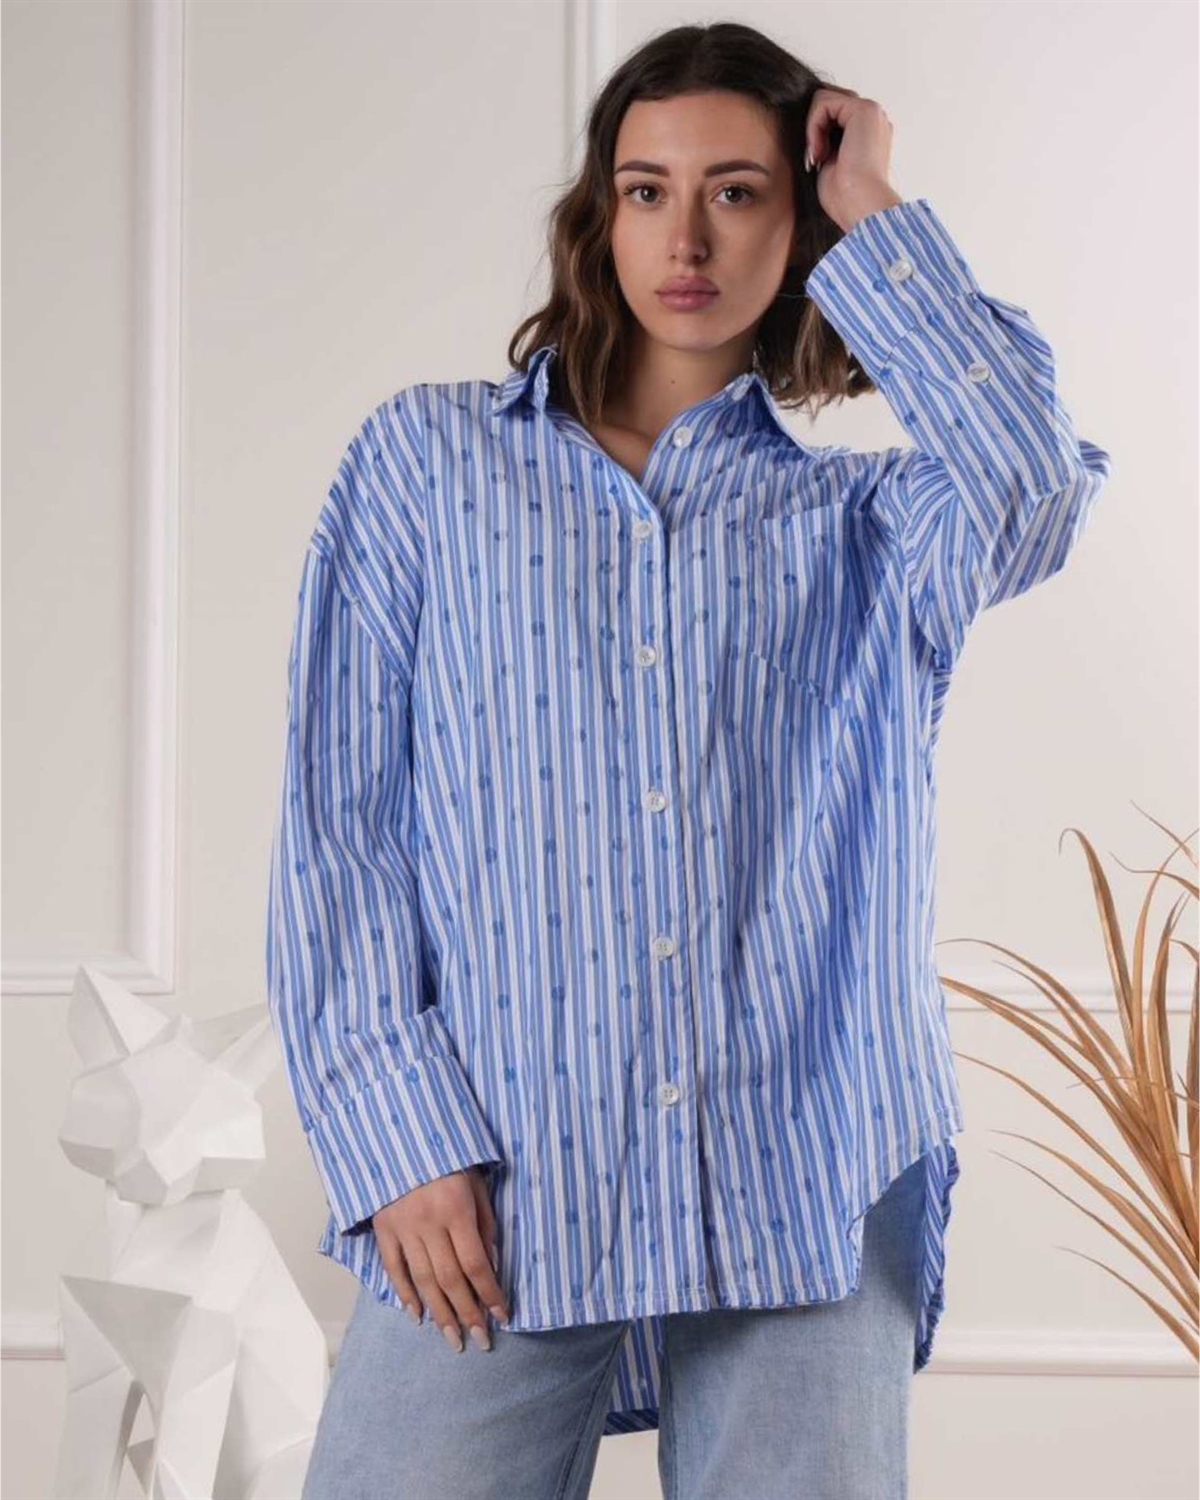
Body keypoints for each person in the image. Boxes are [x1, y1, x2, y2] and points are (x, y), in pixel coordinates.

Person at [265, 20, 1111, 1500]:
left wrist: (877, 208)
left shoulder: (873, 526)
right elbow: (342, 827)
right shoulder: (426, 468)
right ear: (599, 217)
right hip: (507, 1165)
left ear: (801, 218)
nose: (688, 239)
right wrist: (399, 1138)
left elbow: (1033, 482)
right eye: (648, 190)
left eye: (739, 191)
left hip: (811, 1167)